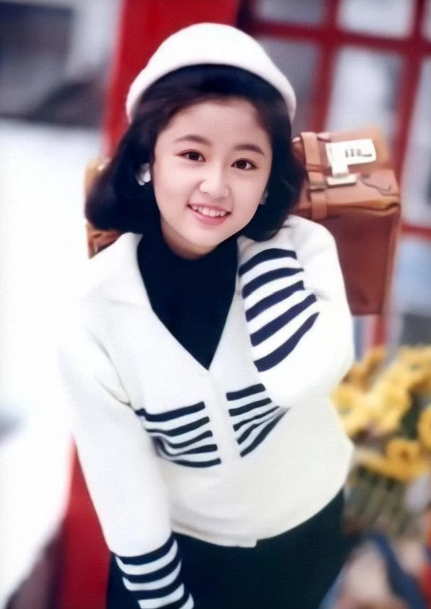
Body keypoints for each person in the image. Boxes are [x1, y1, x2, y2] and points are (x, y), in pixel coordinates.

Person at [57, 22, 355, 609]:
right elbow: (120, 480)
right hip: (182, 553)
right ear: (147, 159)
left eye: (245, 164)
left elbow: (301, 377)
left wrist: (267, 249)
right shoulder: (95, 308)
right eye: (192, 154)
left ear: (269, 178)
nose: (215, 186)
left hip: (309, 531)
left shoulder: (305, 251)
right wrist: (165, 598)